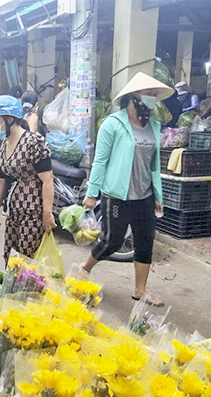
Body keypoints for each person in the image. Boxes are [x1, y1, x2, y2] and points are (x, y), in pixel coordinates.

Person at [81, 72, 172, 307]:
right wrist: (92, 193)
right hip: (117, 195)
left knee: (145, 241)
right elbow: (100, 161)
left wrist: (158, 195)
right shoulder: (112, 124)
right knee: (112, 241)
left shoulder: (153, 126)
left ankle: (140, 289)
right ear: (133, 96)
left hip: (144, 195)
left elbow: (154, 164)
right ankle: (84, 269)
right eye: (148, 93)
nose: (152, 98)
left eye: (154, 94)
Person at [0, 95, 56, 262]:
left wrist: (47, 213)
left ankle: (27, 289)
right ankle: (12, 288)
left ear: (9, 120)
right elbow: (0, 180)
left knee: (26, 258)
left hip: (33, 210)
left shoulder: (33, 142)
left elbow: (48, 179)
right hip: (14, 209)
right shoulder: (1, 145)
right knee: (11, 256)